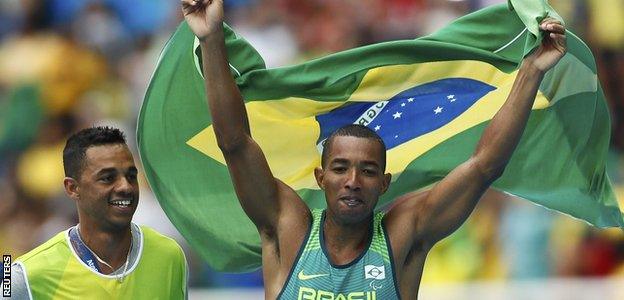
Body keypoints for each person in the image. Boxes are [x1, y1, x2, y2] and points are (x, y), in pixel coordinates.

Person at [182, 0, 567, 298]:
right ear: (321, 177)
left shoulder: (404, 235)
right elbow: (234, 143)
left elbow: (484, 165)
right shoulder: (289, 229)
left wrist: (531, 72)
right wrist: (211, 39)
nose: (352, 181)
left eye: (367, 171)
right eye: (340, 168)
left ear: (384, 183)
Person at [10, 126, 188, 299]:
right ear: (72, 188)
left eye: (131, 176)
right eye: (108, 178)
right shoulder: (24, 275)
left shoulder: (170, 256)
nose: (125, 186)